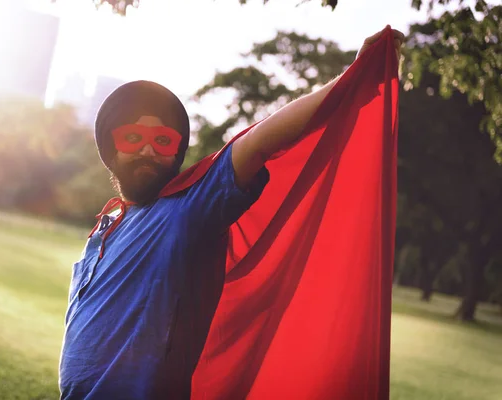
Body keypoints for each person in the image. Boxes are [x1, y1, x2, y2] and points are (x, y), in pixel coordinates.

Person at [58, 25, 404, 400]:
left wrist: (354, 80)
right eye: (132, 138)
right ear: (110, 149)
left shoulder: (185, 210)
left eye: (163, 141)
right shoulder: (105, 226)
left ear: (176, 152)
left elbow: (257, 142)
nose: (147, 151)